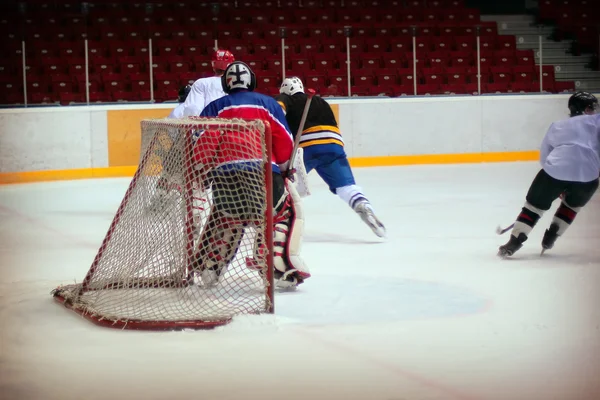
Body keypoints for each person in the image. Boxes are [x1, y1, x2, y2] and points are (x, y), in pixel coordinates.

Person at [194, 61, 310, 289]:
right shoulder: (268, 103)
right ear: (252, 81)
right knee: (281, 214)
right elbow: (283, 139)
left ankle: (211, 267)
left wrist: (202, 168)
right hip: (263, 170)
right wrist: (285, 166)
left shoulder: (215, 107)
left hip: (225, 174)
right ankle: (277, 266)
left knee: (228, 215)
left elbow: (205, 141)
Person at [276, 76, 386, 238]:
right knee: (346, 186)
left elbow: (277, 113)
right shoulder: (321, 101)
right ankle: (362, 204)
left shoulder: (286, 98)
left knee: (284, 184)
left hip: (306, 147)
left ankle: (280, 222)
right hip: (334, 146)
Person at [498, 91, 599, 257]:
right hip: (588, 177)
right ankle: (552, 236)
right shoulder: (597, 121)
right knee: (572, 206)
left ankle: (515, 240)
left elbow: (545, 156)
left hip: (555, 172)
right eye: (592, 107)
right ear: (585, 109)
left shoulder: (557, 126)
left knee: (534, 206)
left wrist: (555, 181)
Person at [179, 49, 235, 117]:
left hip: (209, 125)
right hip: (233, 125)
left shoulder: (201, 83)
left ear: (213, 65)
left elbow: (192, 109)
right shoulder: (237, 84)